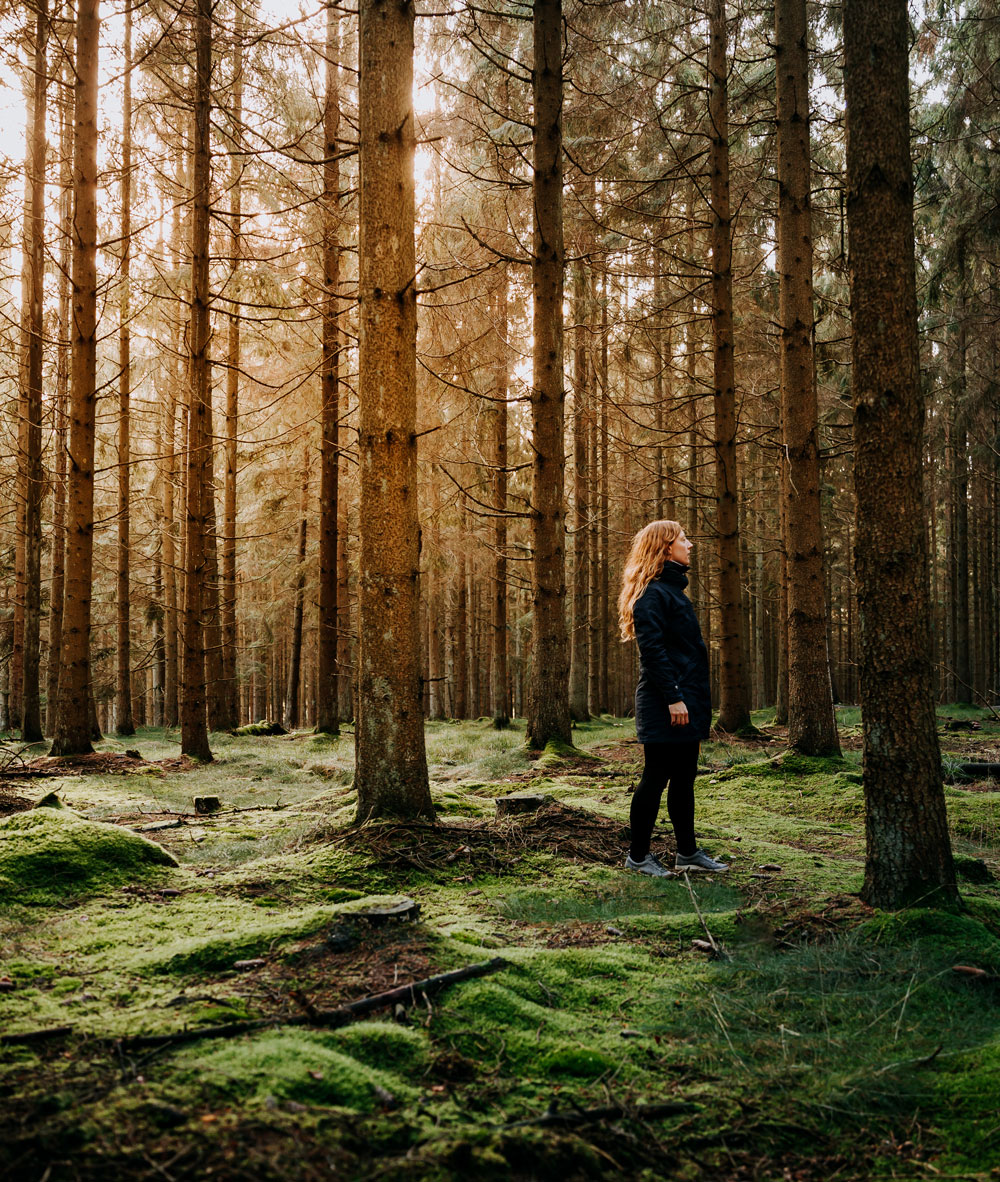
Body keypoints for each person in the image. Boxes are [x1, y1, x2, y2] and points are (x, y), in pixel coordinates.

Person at [617, 520, 729, 876]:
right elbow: (652, 653)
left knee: (684, 777)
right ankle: (637, 857)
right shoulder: (652, 595)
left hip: (685, 700)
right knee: (656, 776)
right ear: (665, 548)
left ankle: (688, 853)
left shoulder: (671, 591)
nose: (690, 544)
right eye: (683, 539)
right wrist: (674, 698)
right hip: (666, 702)